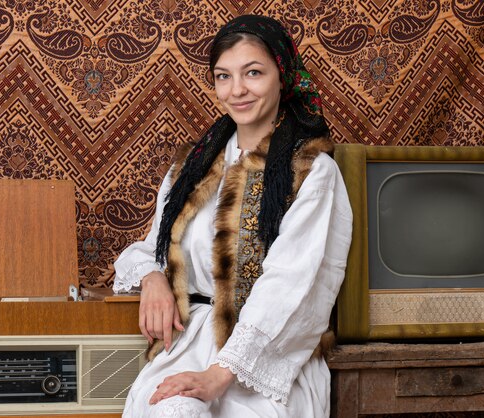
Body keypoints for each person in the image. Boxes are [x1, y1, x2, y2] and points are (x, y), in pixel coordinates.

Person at [113, 14, 353, 418]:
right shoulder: (192, 167)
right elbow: (153, 247)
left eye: (253, 73)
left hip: (268, 362)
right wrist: (153, 277)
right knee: (173, 410)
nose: (237, 90)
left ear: (283, 76)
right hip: (187, 346)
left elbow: (293, 284)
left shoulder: (311, 170)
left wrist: (220, 374)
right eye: (223, 76)